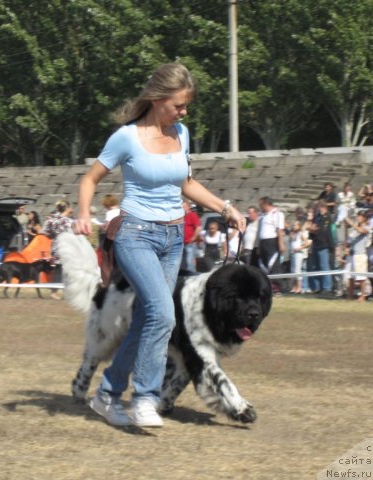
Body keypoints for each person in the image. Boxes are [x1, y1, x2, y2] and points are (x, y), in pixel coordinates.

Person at [73, 63, 245, 427]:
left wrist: (225, 207)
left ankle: (106, 393)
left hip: (172, 238)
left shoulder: (181, 133)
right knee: (163, 314)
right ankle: (146, 398)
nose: (184, 112)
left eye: (186, 106)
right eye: (178, 105)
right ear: (156, 99)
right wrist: (84, 214)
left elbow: (186, 183)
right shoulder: (126, 138)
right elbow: (90, 179)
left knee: (149, 319)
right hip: (136, 234)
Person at [42, 199, 74, 300]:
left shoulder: (51, 220)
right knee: (66, 270)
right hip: (67, 247)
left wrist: (54, 237)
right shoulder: (69, 221)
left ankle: (55, 291)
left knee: (59, 269)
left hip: (56, 247)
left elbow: (45, 232)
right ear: (68, 208)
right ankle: (57, 292)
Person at [256, 196, 286, 294]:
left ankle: (277, 289)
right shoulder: (262, 216)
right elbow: (259, 232)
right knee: (263, 265)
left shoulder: (277, 214)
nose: (260, 206)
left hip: (272, 242)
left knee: (273, 265)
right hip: (263, 242)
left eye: (261, 204)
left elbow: (279, 230)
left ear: (266, 204)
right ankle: (266, 287)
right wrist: (259, 246)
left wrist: (281, 244)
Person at [308, 200, 334, 295]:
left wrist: (332, 246)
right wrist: (312, 229)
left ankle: (327, 287)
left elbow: (325, 231)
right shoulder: (317, 217)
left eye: (321, 206)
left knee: (324, 266)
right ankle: (318, 286)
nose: (320, 208)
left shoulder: (328, 217)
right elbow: (312, 229)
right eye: (319, 206)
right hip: (316, 244)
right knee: (317, 267)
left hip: (324, 245)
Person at [345, 211, 371, 301]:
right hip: (352, 255)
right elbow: (348, 240)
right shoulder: (354, 229)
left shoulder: (368, 227)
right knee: (350, 276)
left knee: (361, 277)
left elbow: (362, 231)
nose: (358, 217)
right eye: (358, 216)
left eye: (360, 216)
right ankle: (350, 295)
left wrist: (352, 223)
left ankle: (363, 296)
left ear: (364, 218)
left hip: (360, 255)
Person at [289, 220, 311, 294]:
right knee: (293, 270)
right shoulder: (293, 234)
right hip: (292, 253)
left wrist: (300, 248)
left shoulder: (301, 234)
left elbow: (307, 243)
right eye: (293, 225)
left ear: (299, 226)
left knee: (297, 270)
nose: (293, 226)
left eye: (295, 225)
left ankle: (299, 287)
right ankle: (294, 287)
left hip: (298, 253)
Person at [180, 200, 201, 273]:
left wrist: (194, 238)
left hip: (189, 244)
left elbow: (198, 227)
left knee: (189, 263)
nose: (181, 209)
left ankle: (192, 277)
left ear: (188, 207)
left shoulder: (192, 215)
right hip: (181, 244)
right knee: (182, 264)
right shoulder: (181, 217)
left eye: (183, 207)